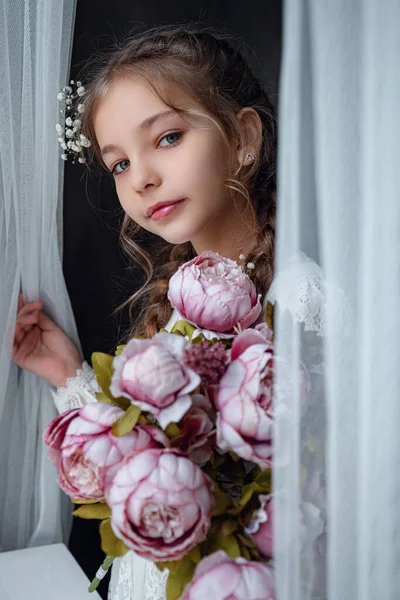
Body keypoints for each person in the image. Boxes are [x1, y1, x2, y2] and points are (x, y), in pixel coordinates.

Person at [12, 23, 326, 600]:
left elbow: (316, 504)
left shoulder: (301, 299)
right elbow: (154, 477)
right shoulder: (184, 305)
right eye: (119, 164)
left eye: (167, 138)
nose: (143, 179)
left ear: (243, 137)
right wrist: (68, 376)